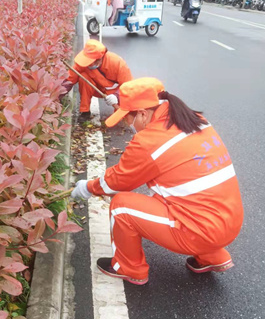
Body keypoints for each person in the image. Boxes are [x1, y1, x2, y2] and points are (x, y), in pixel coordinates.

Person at [71, 78, 244, 285]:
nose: (128, 124)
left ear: (143, 114)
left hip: (200, 231)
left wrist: (88, 188)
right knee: (174, 195)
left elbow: (115, 183)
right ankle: (213, 256)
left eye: (128, 117)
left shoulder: (149, 141)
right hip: (229, 220)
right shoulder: (194, 119)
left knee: (121, 207)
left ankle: (130, 268)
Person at [61, 40, 133, 124]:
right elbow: (69, 80)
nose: (87, 65)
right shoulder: (83, 63)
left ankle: (121, 116)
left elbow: (128, 86)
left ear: (99, 59)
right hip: (97, 89)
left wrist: (116, 96)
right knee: (84, 77)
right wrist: (56, 95)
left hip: (115, 91)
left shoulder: (118, 63)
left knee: (122, 118)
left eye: (90, 62)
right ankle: (85, 112)